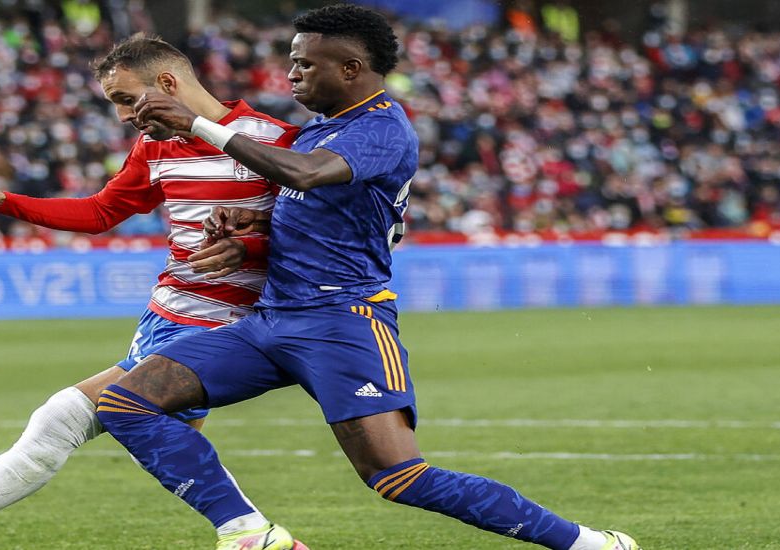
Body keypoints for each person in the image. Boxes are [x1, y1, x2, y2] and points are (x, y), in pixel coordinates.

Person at [96, 5, 641, 550]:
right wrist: (251, 222)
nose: (292, 75)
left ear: (351, 68)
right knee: (126, 402)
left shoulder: (381, 126)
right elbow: (318, 206)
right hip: (271, 320)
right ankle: (248, 532)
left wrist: (196, 124)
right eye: (293, 62)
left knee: (398, 477)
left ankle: (589, 544)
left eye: (305, 64)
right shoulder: (321, 129)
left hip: (343, 322)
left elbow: (306, 175)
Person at [0, 34, 298, 550]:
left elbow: (318, 237)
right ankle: (248, 532)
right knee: (153, 437)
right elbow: (101, 212)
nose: (123, 115)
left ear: (168, 84)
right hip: (164, 315)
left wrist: (251, 248)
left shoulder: (275, 141)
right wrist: (2, 201)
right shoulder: (156, 145)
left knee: (67, 419)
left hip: (222, 325)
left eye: (126, 99)